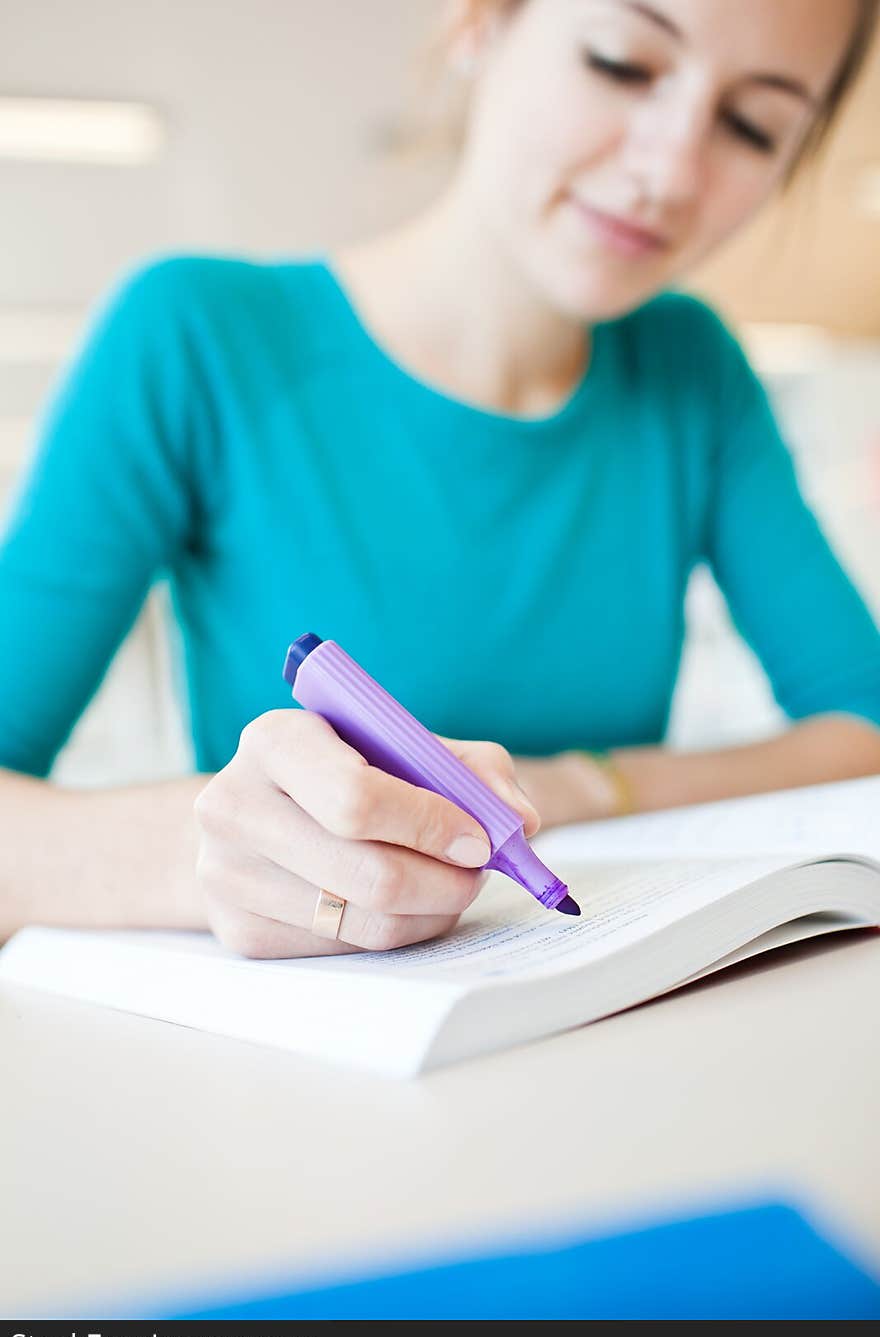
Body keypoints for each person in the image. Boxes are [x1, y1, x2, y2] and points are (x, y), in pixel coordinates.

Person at [1, 0, 879, 960]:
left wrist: (576, 787)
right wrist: (209, 853)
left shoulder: (692, 367)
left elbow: (865, 722)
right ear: (481, 24)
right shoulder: (193, 336)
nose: (670, 171)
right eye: (621, 62)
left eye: (753, 126)